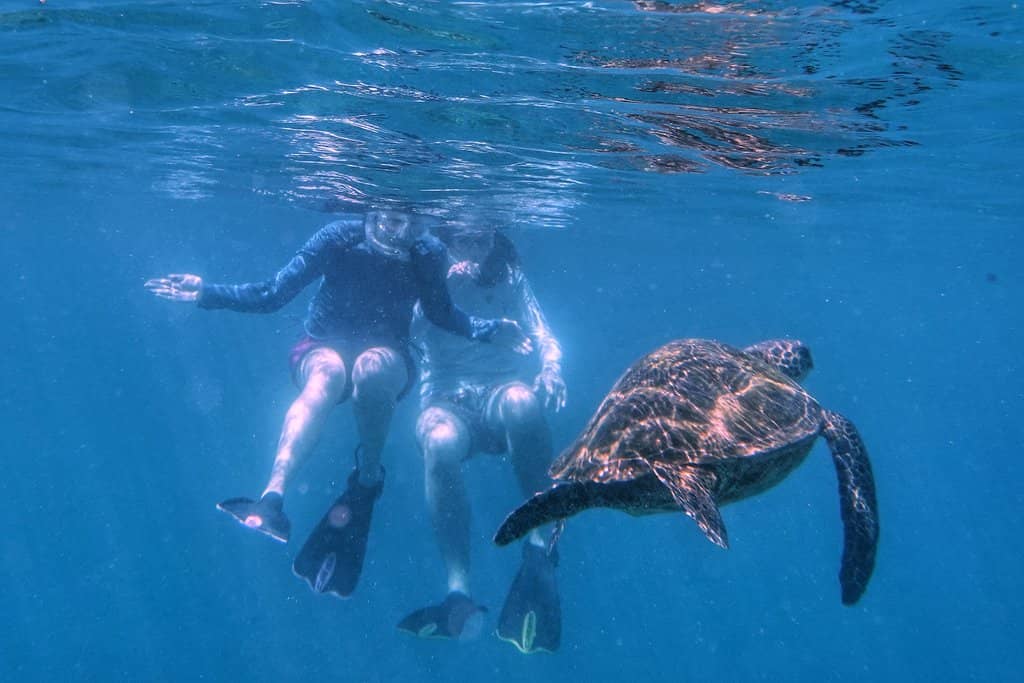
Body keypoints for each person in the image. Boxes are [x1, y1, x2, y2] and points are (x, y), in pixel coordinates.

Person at [145, 210, 531, 599]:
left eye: (416, 224)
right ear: (375, 213)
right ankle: (271, 497)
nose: (404, 233)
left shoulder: (426, 252)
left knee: (371, 370)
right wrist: (206, 292)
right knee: (326, 376)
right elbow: (273, 293)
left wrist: (488, 329)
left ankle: (367, 479)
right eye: (395, 221)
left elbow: (441, 313)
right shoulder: (339, 237)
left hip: (390, 352)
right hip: (321, 344)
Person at [395, 229, 566, 653]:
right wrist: (436, 284)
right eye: (464, 241)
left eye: (482, 241)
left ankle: (539, 542)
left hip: (499, 389)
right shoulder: (424, 273)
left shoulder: (508, 275)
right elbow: (400, 332)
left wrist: (552, 368)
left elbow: (543, 332)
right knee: (438, 442)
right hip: (444, 397)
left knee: (524, 403)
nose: (473, 251)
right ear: (446, 239)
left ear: (495, 239)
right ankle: (458, 590)